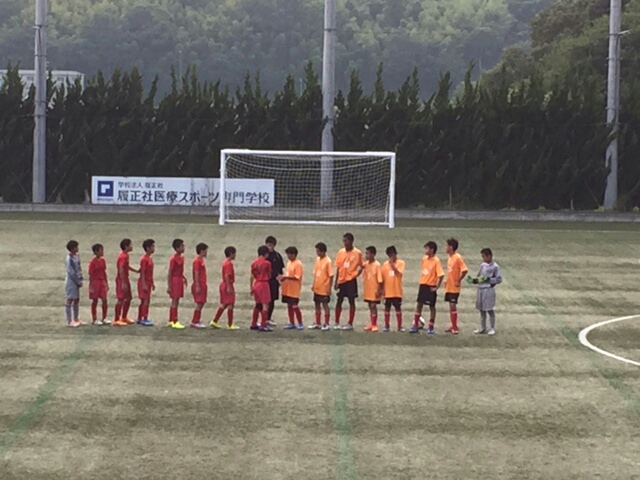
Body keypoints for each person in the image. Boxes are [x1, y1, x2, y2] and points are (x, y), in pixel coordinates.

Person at [411, 241, 444, 334]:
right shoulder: (424, 259)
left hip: (431, 286)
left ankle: (431, 326)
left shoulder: (436, 261)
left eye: (427, 248)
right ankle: (415, 325)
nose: (425, 250)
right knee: (419, 305)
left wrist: (436, 287)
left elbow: (441, 275)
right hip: (423, 285)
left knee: (432, 307)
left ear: (432, 250)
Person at [334, 232, 363, 330]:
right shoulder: (340, 252)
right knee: (339, 301)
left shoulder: (357, 253)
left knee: (351, 301)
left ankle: (350, 323)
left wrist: (356, 274)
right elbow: (338, 267)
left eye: (346, 241)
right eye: (343, 241)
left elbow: (362, 266)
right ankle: (336, 322)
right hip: (342, 280)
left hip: (351, 281)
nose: (344, 243)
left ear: (351, 241)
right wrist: (336, 281)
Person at [472, 248, 503, 336]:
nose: (483, 258)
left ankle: (492, 327)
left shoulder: (495, 267)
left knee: (489, 309)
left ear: (489, 256)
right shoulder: (483, 265)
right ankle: (482, 327)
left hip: (488, 289)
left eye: (484, 256)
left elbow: (499, 279)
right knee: (481, 309)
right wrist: (475, 280)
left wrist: (489, 280)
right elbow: (480, 276)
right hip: (481, 288)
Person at [211, 246, 239, 330]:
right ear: (231, 254)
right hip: (227, 284)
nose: (235, 255)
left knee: (225, 304)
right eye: (234, 253)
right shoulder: (229, 264)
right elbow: (227, 275)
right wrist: (229, 287)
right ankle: (230, 324)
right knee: (230, 304)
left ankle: (215, 320)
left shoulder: (225, 262)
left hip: (224, 284)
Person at [444, 238, 468, 334]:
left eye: (447, 246)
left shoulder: (457, 257)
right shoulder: (450, 258)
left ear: (451, 247)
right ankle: (453, 325)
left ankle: (455, 327)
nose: (445, 247)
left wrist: (458, 280)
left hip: (454, 287)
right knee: (451, 306)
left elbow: (465, 270)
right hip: (449, 286)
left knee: (453, 305)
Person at [278, 246, 304, 330]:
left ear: (294, 254)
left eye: (289, 254)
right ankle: (292, 322)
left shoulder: (298, 264)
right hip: (287, 289)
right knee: (289, 306)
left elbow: (297, 277)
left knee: (295, 306)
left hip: (294, 290)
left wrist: (286, 277)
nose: (288, 256)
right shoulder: (289, 263)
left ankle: (300, 323)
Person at [381, 245, 405, 333]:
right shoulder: (384, 265)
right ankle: (386, 325)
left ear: (395, 254)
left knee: (398, 308)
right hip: (388, 292)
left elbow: (399, 273)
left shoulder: (401, 263)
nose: (391, 257)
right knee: (387, 308)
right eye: (389, 255)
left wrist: (392, 265)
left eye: (392, 254)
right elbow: (383, 279)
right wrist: (382, 291)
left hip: (397, 291)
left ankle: (399, 326)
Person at [114, 238, 138, 326]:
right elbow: (121, 269)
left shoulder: (126, 255)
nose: (132, 246)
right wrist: (123, 282)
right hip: (121, 279)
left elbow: (126, 266)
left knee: (128, 298)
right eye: (130, 245)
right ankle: (116, 319)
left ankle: (124, 316)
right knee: (121, 299)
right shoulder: (122, 256)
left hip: (125, 279)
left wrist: (135, 270)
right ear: (126, 246)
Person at [311, 242, 333, 331]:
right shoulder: (317, 260)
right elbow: (315, 273)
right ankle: (318, 322)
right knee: (317, 304)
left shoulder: (328, 261)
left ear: (323, 251)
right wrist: (313, 284)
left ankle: (327, 323)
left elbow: (331, 275)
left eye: (318, 251)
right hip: (317, 287)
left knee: (325, 305)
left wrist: (329, 288)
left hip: (324, 288)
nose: (317, 253)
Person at [250, 245, 273, 331]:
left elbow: (252, 275)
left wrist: (251, 287)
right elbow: (269, 275)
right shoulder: (267, 263)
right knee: (265, 305)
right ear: (266, 254)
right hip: (264, 283)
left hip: (257, 283)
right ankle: (263, 324)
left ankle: (254, 323)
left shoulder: (254, 263)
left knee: (258, 304)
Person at [167, 238, 188, 330]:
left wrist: (183, 277)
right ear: (177, 248)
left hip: (179, 278)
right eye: (182, 246)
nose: (184, 248)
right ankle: (174, 320)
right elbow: (170, 272)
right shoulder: (173, 259)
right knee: (175, 300)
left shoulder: (181, 258)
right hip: (175, 280)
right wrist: (169, 285)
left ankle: (171, 319)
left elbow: (179, 270)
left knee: (176, 300)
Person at [362, 246, 383, 332]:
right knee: (370, 305)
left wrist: (379, 290)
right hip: (368, 289)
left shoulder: (377, 265)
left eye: (368, 253)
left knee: (373, 306)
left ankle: (374, 324)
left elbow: (380, 279)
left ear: (373, 254)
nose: (366, 255)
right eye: (366, 253)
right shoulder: (366, 264)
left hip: (374, 289)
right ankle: (371, 323)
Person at [88, 243, 109, 325]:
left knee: (104, 299)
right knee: (95, 300)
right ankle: (94, 319)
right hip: (95, 282)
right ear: (96, 252)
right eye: (101, 250)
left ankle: (104, 317)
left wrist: (106, 283)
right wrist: (91, 286)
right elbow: (91, 275)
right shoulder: (92, 263)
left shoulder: (103, 261)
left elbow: (104, 272)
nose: (102, 252)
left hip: (102, 281)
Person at [265, 236, 285, 327]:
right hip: (266, 281)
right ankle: (263, 318)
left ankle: (268, 318)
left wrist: (280, 278)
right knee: (264, 301)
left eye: (271, 245)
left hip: (274, 282)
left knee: (272, 300)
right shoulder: (264, 256)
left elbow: (280, 269)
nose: (270, 247)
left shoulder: (277, 256)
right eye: (268, 245)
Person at [136, 239, 155, 327]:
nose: (154, 248)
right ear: (148, 248)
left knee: (146, 300)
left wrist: (152, 282)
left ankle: (141, 317)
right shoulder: (144, 259)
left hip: (148, 281)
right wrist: (143, 284)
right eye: (152, 247)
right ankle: (144, 318)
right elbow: (142, 272)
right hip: (144, 281)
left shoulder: (149, 259)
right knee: (145, 300)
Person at [65, 240, 83, 328]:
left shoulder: (77, 256)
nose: (78, 248)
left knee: (76, 299)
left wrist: (80, 278)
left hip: (77, 280)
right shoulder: (69, 259)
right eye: (76, 247)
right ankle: (69, 320)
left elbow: (79, 268)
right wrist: (77, 281)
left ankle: (76, 318)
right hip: (71, 281)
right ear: (72, 249)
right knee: (70, 299)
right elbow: (71, 272)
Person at [190, 242, 208, 329]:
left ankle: (197, 320)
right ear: (201, 251)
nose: (206, 253)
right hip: (199, 283)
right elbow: (196, 272)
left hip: (202, 283)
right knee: (199, 303)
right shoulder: (197, 261)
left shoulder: (201, 260)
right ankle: (195, 321)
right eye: (205, 251)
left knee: (202, 302)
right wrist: (197, 285)